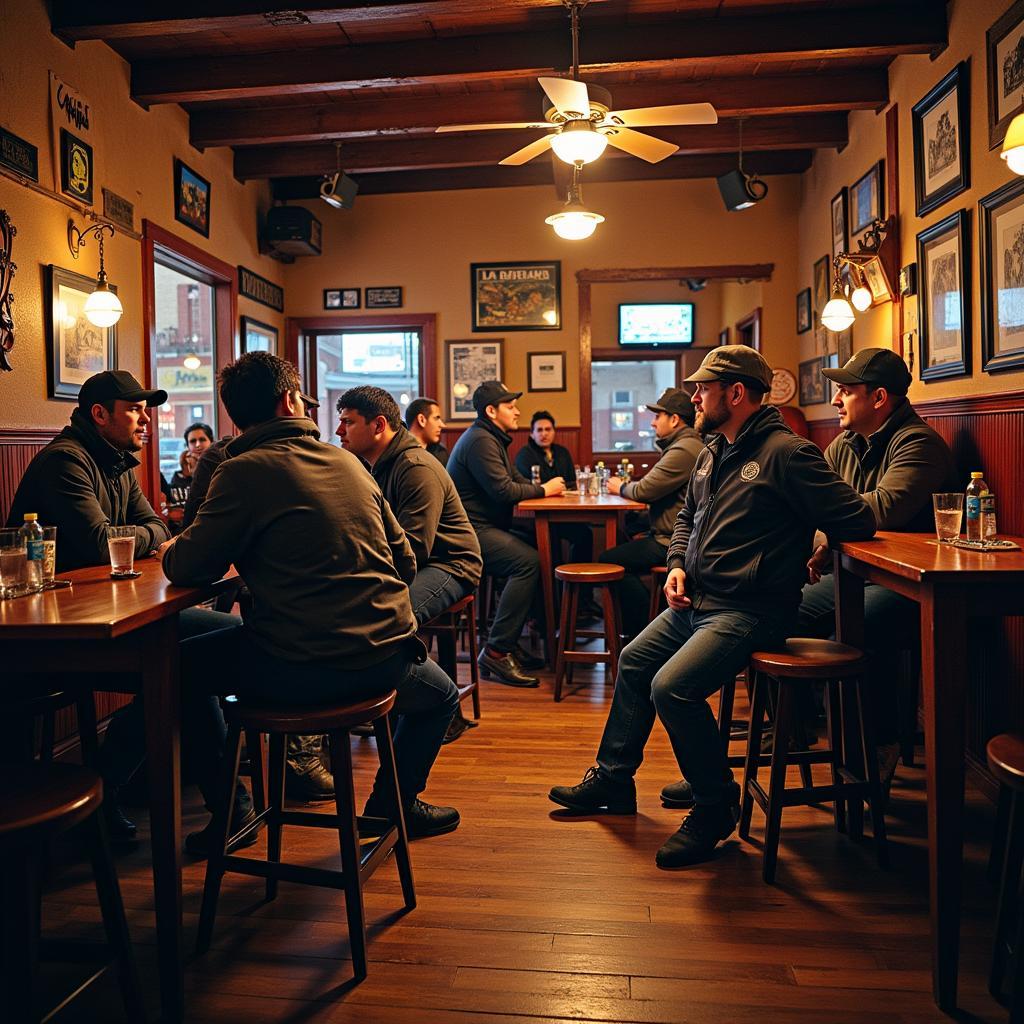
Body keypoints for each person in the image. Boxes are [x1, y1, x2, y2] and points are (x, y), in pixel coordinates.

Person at [548, 347, 876, 869]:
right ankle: (614, 779)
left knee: (671, 687)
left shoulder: (788, 454)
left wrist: (814, 542)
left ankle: (714, 805)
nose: (695, 396)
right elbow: (687, 519)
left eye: (703, 389)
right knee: (634, 661)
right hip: (696, 598)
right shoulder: (712, 448)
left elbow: (855, 517)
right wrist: (677, 562)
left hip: (750, 609)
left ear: (736, 393)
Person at [161, 352, 461, 840]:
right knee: (443, 696)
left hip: (300, 664)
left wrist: (174, 545)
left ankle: (232, 809)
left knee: (172, 669)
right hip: (388, 655)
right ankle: (390, 807)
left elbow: (191, 566)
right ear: (288, 400)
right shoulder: (350, 462)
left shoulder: (239, 472)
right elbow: (406, 562)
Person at [6, 370, 243, 844]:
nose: (145, 419)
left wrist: (142, 535)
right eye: (134, 409)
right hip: (60, 632)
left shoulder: (115, 462)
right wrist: (146, 536)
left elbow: (150, 525)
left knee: (212, 642)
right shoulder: (65, 463)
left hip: (110, 615)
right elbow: (103, 542)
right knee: (187, 659)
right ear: (99, 415)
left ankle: (116, 787)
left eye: (145, 409)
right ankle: (218, 804)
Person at [797, 348, 959, 790]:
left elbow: (883, 510)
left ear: (879, 398)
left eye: (846, 391)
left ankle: (874, 748)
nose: (836, 401)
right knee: (774, 610)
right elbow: (812, 511)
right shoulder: (843, 444)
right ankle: (797, 738)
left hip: (909, 587)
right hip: (850, 574)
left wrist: (826, 535)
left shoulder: (919, 444)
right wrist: (823, 540)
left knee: (852, 630)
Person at [179, 393, 336, 803]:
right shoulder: (230, 463)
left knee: (169, 667)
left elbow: (185, 557)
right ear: (287, 404)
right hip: (364, 636)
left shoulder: (322, 459)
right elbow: (196, 537)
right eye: (305, 406)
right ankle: (288, 757)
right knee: (181, 658)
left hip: (308, 627)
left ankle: (241, 797)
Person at [447, 381, 565, 688]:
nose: (516, 411)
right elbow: (503, 491)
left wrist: (540, 489)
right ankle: (497, 651)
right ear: (491, 410)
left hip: (485, 526)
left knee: (541, 551)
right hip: (468, 532)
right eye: (510, 406)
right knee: (528, 561)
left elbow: (516, 480)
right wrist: (545, 489)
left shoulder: (492, 439)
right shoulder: (480, 441)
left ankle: (511, 640)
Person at [336, 386, 482, 626]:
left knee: (385, 618)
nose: (338, 430)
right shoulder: (376, 466)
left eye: (348, 422)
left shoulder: (416, 468)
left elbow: (414, 551)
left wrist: (361, 575)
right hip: (414, 562)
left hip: (450, 565)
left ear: (379, 426)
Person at [600, 388, 704, 639]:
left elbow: (644, 490)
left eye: (658, 416)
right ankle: (647, 622)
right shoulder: (683, 445)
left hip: (673, 541)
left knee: (608, 561)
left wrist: (619, 486)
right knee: (626, 538)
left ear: (675, 419)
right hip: (673, 534)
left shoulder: (684, 449)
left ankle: (642, 631)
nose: (653, 421)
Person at [515, 411, 592, 565]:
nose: (544, 434)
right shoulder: (525, 455)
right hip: (536, 517)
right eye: (539, 430)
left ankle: (580, 586)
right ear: (532, 434)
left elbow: (571, 482)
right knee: (552, 538)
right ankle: (554, 587)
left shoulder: (562, 452)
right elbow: (529, 486)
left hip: (563, 513)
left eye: (548, 429)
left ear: (554, 432)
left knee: (585, 534)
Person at [169, 421, 213, 491]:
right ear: (187, 446)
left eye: (202, 440)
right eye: (193, 441)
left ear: (211, 442)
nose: (197, 445)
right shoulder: (180, 476)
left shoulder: (220, 466)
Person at [405, 397, 449, 467]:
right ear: (421, 420)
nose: (442, 425)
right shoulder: (399, 454)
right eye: (436, 418)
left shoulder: (440, 453)